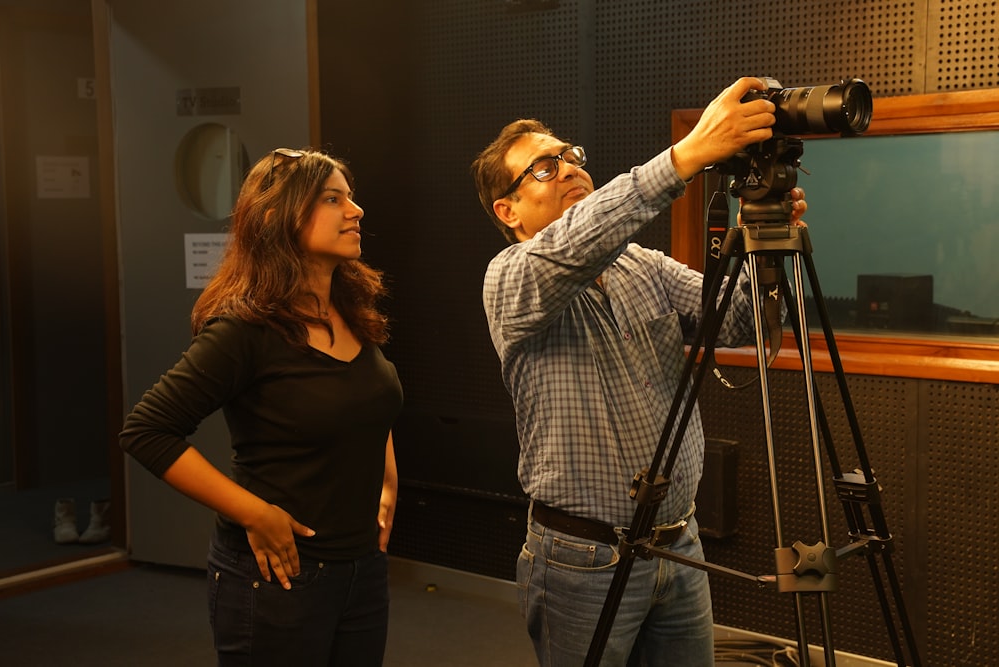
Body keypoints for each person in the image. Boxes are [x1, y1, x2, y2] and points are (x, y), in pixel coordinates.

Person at [470, 77, 807, 666]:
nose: (569, 167)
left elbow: (736, 324)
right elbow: (574, 245)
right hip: (582, 557)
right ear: (509, 210)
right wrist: (688, 155)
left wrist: (768, 243)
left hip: (679, 543)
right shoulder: (509, 279)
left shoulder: (640, 265)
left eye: (570, 155)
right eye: (543, 169)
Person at [120, 147, 403, 666]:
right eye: (333, 198)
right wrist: (253, 512)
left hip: (361, 569)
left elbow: (369, 403)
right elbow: (147, 431)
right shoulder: (245, 330)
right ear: (278, 219)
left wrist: (387, 480)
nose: (356, 209)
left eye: (352, 197)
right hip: (277, 576)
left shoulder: (349, 311)